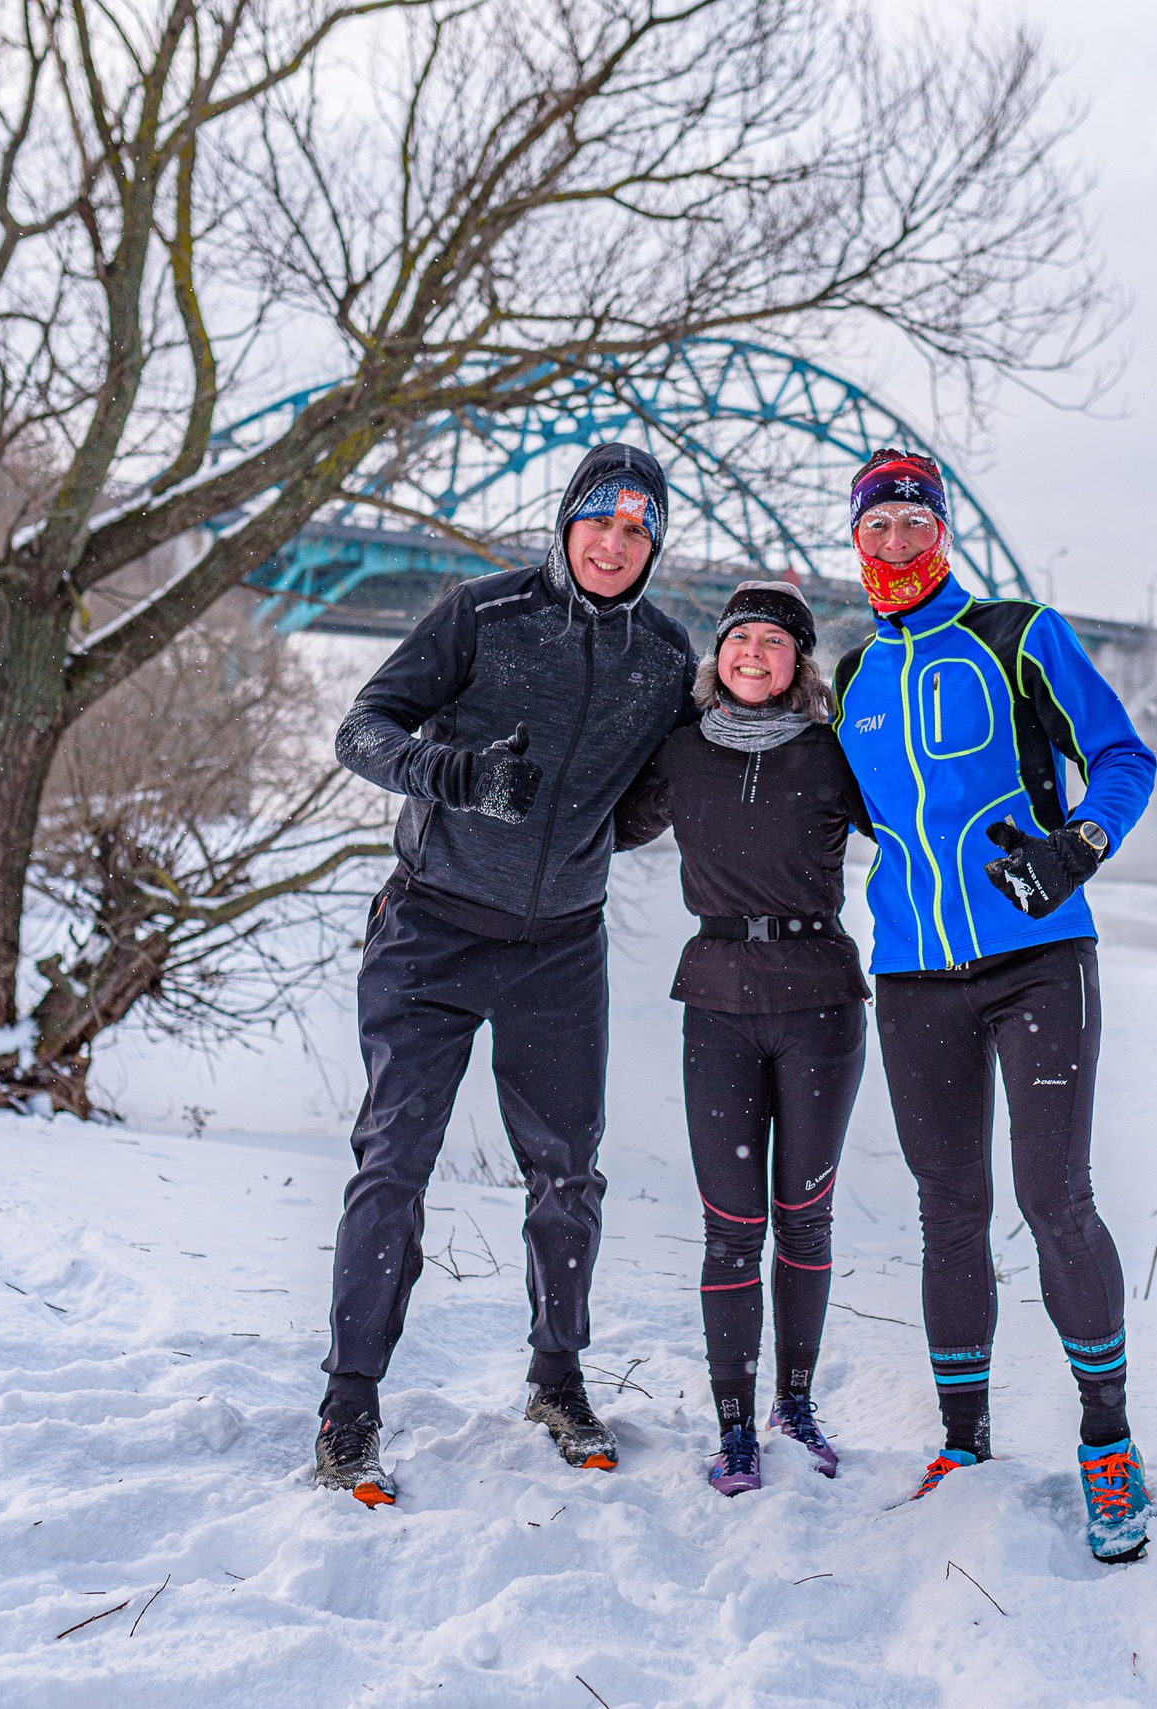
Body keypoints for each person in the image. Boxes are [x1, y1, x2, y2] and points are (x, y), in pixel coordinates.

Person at [314, 444, 697, 1506]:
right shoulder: (480, 617)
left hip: (560, 945)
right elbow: (362, 729)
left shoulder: (665, 657)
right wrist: (454, 774)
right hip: (430, 927)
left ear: (653, 546)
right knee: (394, 1163)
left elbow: (643, 802)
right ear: (566, 523)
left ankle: (558, 1378)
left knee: (567, 1172)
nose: (616, 544)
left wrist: (623, 821)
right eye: (600, 523)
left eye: (638, 530)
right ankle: (350, 1406)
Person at [828, 448, 1157, 1562]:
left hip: (1037, 960)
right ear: (856, 538)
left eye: (913, 527)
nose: (895, 547)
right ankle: (963, 1441)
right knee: (947, 1206)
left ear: (941, 533)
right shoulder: (851, 675)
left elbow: (1122, 753)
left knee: (1053, 1196)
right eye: (876, 529)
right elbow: (868, 820)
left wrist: (1078, 845)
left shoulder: (1018, 635)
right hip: (915, 975)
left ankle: (1107, 1442)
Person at [615, 581, 869, 1496]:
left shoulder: (832, 753)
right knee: (732, 1227)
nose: (753, 653)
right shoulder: (681, 753)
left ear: (800, 663)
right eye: (739, 639)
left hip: (822, 1003)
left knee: (804, 1216)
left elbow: (919, 823)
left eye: (774, 641)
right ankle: (734, 1428)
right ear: (715, 655)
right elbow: (603, 822)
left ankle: (794, 1405)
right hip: (718, 1001)